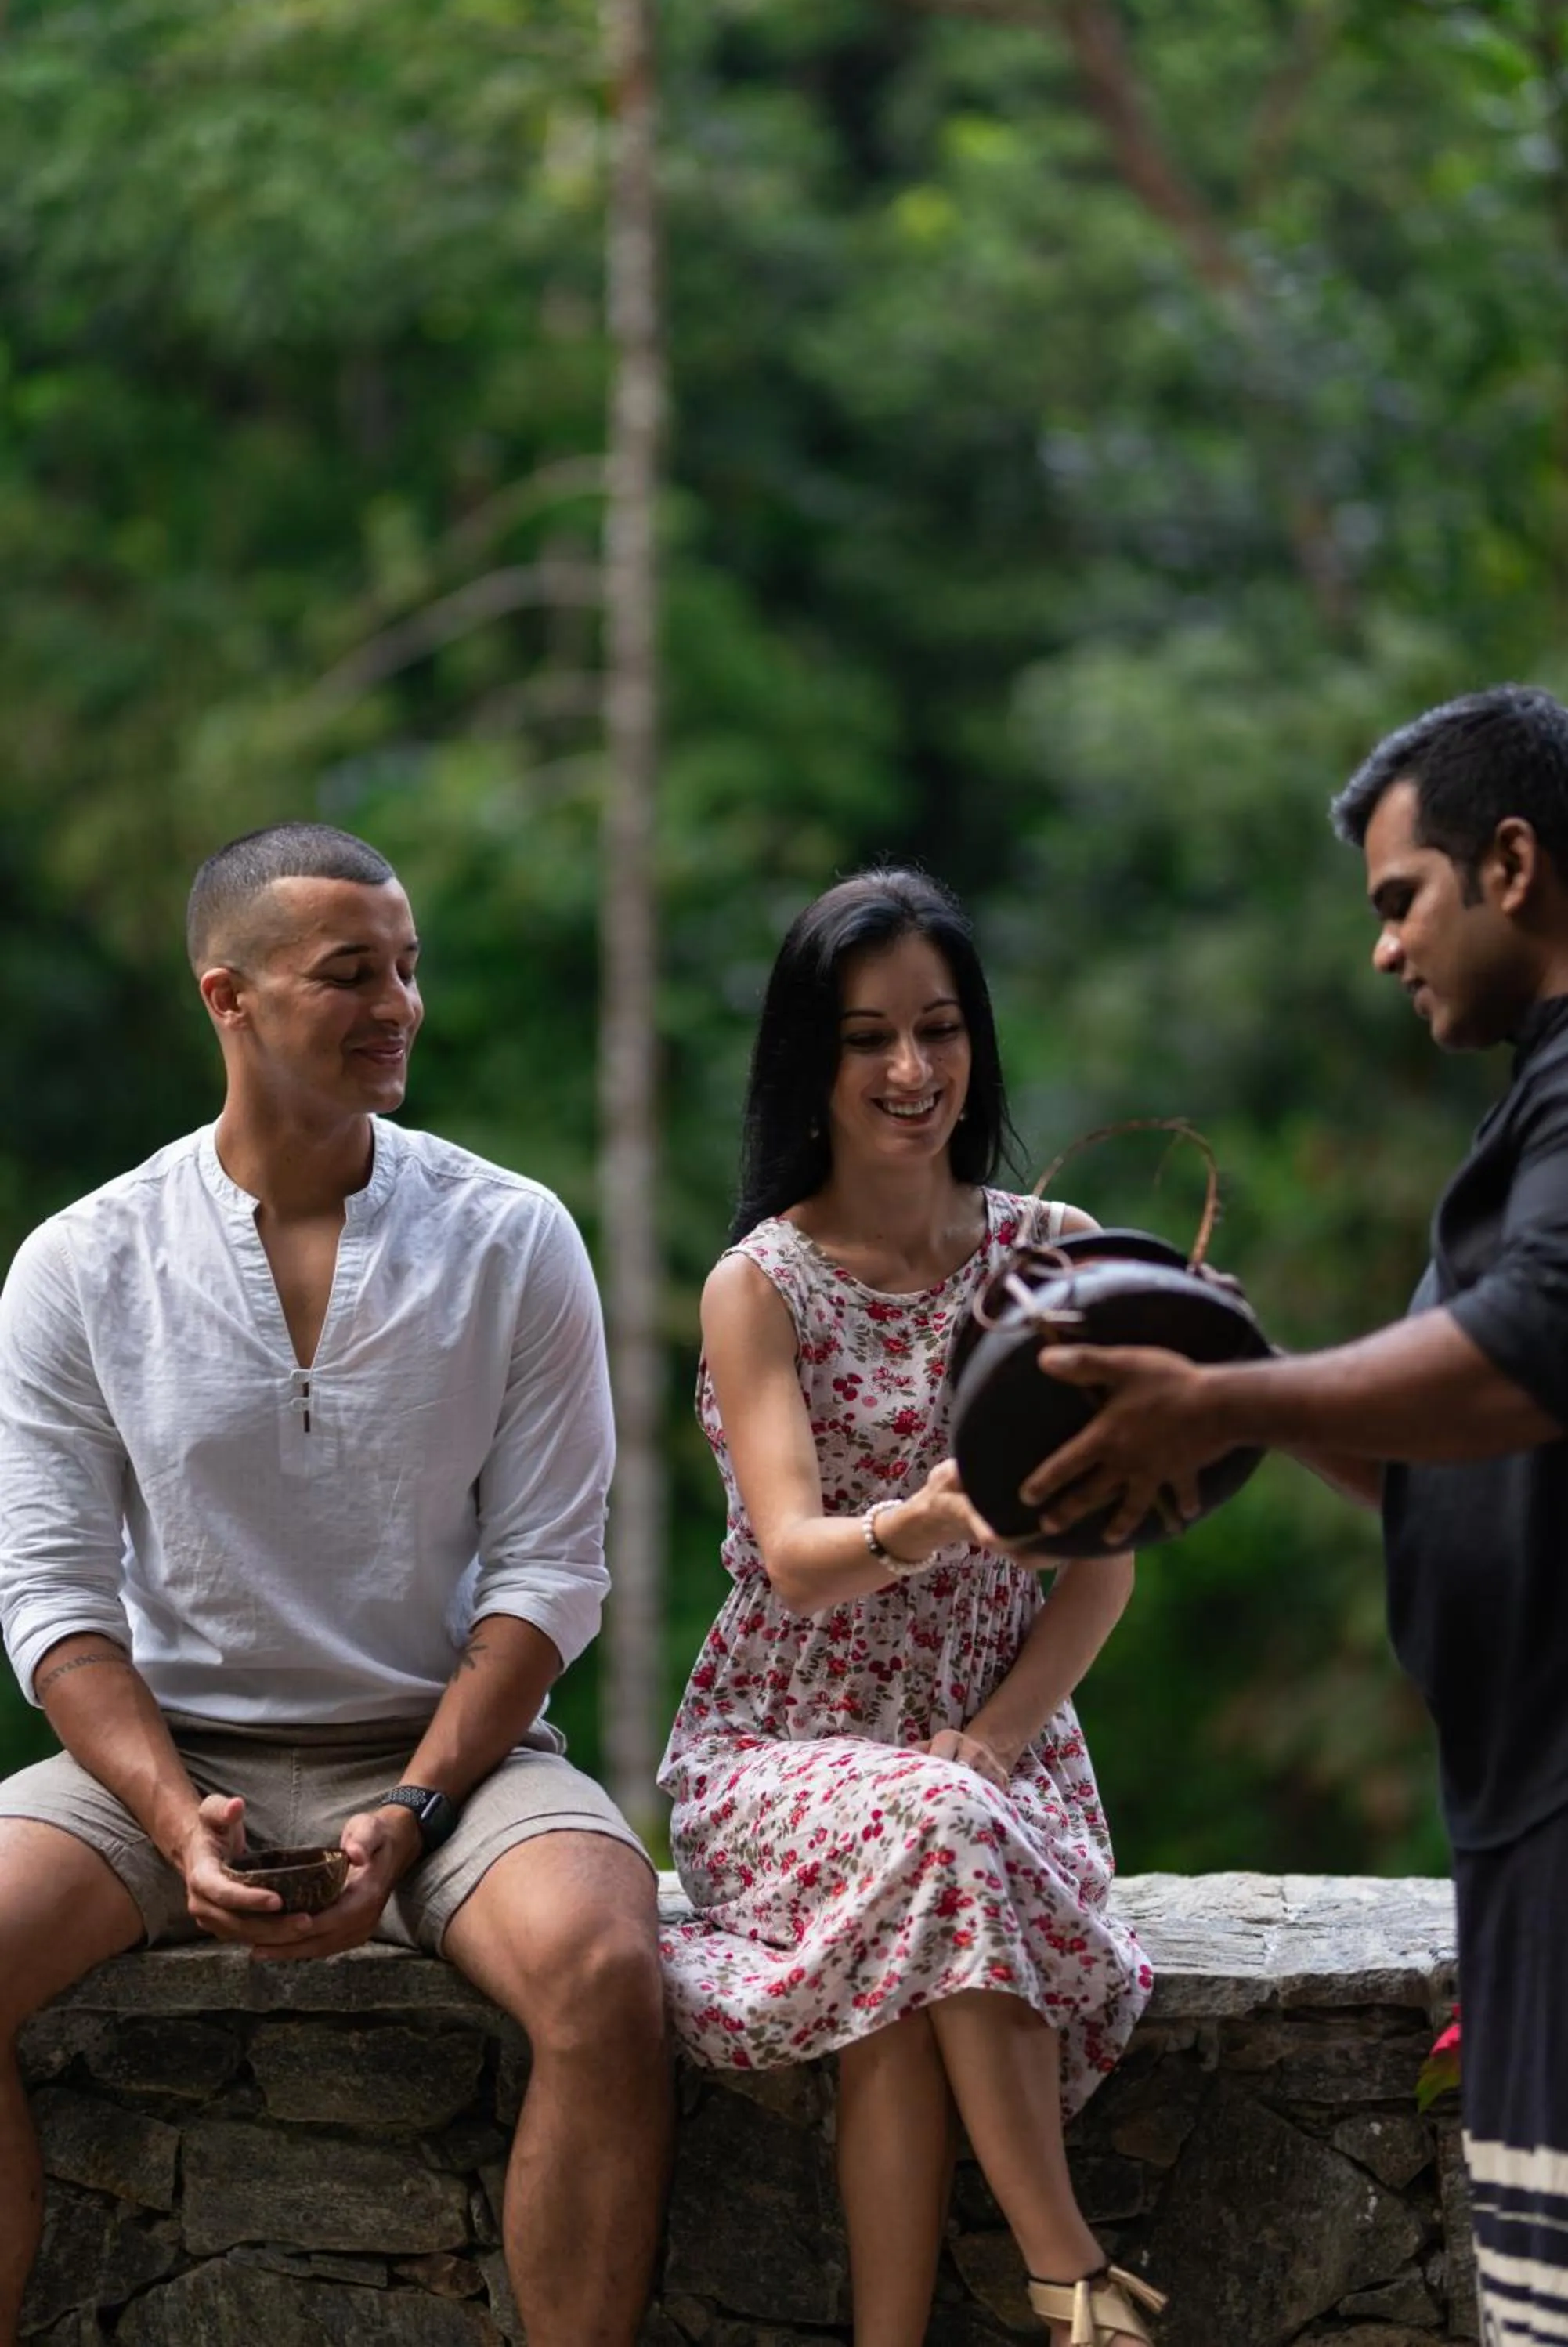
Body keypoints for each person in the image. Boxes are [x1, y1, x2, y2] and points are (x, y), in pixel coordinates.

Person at [0, 823, 670, 2347]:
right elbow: (52, 1599)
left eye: (410, 969)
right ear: (226, 998)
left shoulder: (512, 1239)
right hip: (166, 1761)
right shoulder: (82, 1262)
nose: (401, 1007)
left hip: (447, 1753)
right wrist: (176, 1819)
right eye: (350, 975)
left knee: (604, 1968)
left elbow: (553, 1576)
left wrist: (417, 1810)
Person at [1017, 682, 1568, 2347]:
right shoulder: (1523, 1119)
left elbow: (1531, 1350)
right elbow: (1458, 1444)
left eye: (1401, 901)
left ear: (1513, 864)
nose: (1384, 950)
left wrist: (1229, 1400)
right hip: (1520, 1803)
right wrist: (1233, 1376)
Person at [659, 870, 1162, 2347]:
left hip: (994, 1757)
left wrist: (999, 1738)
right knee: (922, 1845)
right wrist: (930, 1522)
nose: (908, 1072)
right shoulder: (761, 1285)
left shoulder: (1051, 1251)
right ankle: (1072, 2276)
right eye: (867, 1036)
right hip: (779, 1751)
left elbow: (1104, 1557)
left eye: (938, 1030)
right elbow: (799, 1556)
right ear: (806, 1061)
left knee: (911, 1942)